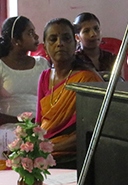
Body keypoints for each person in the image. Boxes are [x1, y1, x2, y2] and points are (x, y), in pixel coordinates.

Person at [0, 16, 50, 160]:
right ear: (16, 41)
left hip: (37, 125)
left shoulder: (42, 64)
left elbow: (50, 99)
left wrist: (37, 123)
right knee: (26, 144)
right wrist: (26, 123)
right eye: (30, 33)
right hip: (6, 128)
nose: (36, 37)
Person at [36, 19, 100, 168]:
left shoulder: (87, 78)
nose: (60, 44)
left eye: (66, 38)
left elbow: (92, 130)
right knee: (0, 166)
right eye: (53, 39)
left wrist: (50, 148)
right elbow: (39, 123)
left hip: (71, 153)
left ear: (76, 44)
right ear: (45, 47)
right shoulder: (45, 76)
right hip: (44, 147)